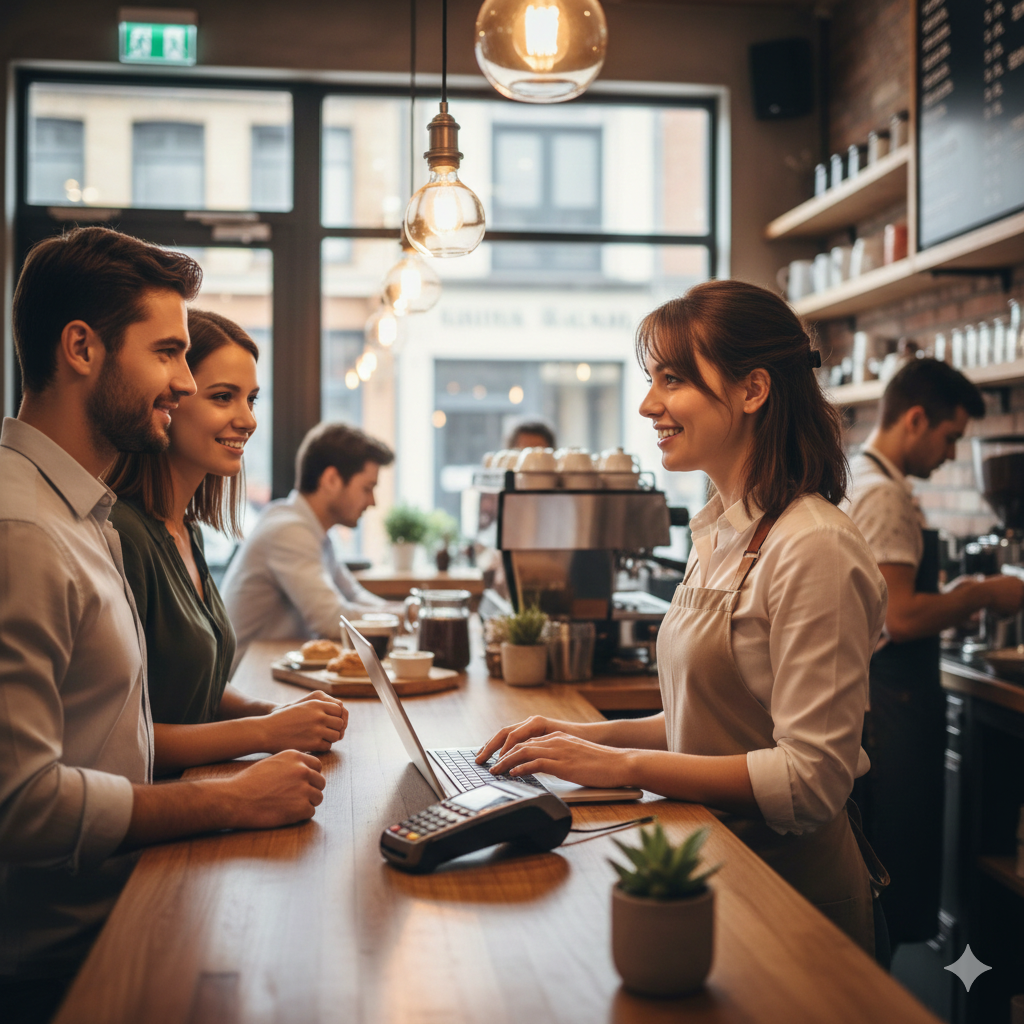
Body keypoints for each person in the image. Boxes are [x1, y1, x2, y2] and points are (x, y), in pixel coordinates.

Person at [478, 280, 888, 956]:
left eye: (672, 379)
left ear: (753, 390)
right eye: (651, 379)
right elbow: (716, 721)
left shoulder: (815, 546)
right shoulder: (722, 531)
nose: (648, 404)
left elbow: (810, 780)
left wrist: (624, 766)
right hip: (711, 867)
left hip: (791, 907)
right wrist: (584, 738)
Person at [0, 227, 326, 1024]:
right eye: (169, 353)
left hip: (130, 901)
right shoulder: (25, 531)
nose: (182, 382)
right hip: (70, 960)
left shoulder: (86, 518)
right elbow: (22, 805)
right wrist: (232, 800)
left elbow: (122, 728)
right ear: (81, 347)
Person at [105, 309, 348, 776]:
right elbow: (123, 739)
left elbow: (198, 684)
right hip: (155, 820)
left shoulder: (185, 529)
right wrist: (266, 732)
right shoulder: (124, 532)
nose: (248, 420)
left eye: (251, 400)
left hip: (202, 786)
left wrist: (272, 712)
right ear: (169, 398)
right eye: (223, 397)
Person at [843, 358, 1024, 950]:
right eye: (950, 438)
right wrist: (982, 594)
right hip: (891, 702)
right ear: (915, 419)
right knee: (895, 868)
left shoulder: (855, 478)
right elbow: (900, 615)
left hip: (880, 696)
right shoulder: (886, 496)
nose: (950, 455)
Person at [222, 421, 402, 673]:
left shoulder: (314, 532)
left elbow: (354, 595)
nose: (372, 502)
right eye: (367, 488)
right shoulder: (289, 531)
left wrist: (407, 612)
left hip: (275, 670)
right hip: (247, 681)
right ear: (331, 479)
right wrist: (402, 621)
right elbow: (331, 619)